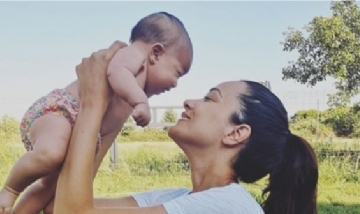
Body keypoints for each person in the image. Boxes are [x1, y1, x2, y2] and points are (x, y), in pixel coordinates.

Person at [53, 42, 319, 214]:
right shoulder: (181, 198)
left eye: (210, 98)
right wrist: (117, 111)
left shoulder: (228, 207)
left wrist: (92, 104)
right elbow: (61, 205)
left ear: (236, 133)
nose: (189, 102)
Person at [0, 11, 193, 214]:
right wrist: (140, 101)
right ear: (156, 53)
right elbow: (116, 71)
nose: (175, 84)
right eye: (177, 73)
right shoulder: (133, 56)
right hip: (61, 111)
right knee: (51, 153)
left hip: (77, 129)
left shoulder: (130, 95)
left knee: (49, 187)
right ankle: (9, 189)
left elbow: (105, 134)